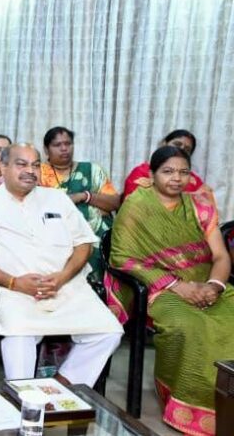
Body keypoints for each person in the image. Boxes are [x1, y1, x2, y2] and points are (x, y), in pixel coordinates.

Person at [0, 143, 123, 387]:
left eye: (36, 165)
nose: (30, 170)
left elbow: (84, 244)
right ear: (3, 168)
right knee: (19, 338)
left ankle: (59, 387)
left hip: (66, 287)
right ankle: (25, 398)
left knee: (109, 332)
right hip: (15, 292)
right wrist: (14, 282)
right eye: (21, 164)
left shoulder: (57, 199)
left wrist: (62, 277)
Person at [110, 146, 232, 435]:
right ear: (151, 175)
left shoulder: (200, 205)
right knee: (188, 326)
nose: (177, 178)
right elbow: (123, 258)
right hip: (161, 289)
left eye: (183, 172)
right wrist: (177, 286)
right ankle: (190, 405)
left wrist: (214, 285)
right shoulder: (136, 206)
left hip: (207, 284)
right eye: (168, 171)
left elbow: (220, 256)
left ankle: (229, 406)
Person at [39, 127, 120, 280]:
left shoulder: (92, 170)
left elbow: (115, 203)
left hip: (95, 240)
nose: (64, 148)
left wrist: (84, 196)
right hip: (53, 240)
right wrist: (95, 205)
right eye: (57, 145)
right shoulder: (38, 173)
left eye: (68, 143)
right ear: (46, 149)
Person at [122, 129, 208, 199]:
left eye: (187, 149)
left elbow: (206, 206)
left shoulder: (193, 180)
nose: (181, 149)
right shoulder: (141, 172)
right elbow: (132, 203)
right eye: (177, 144)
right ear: (164, 144)